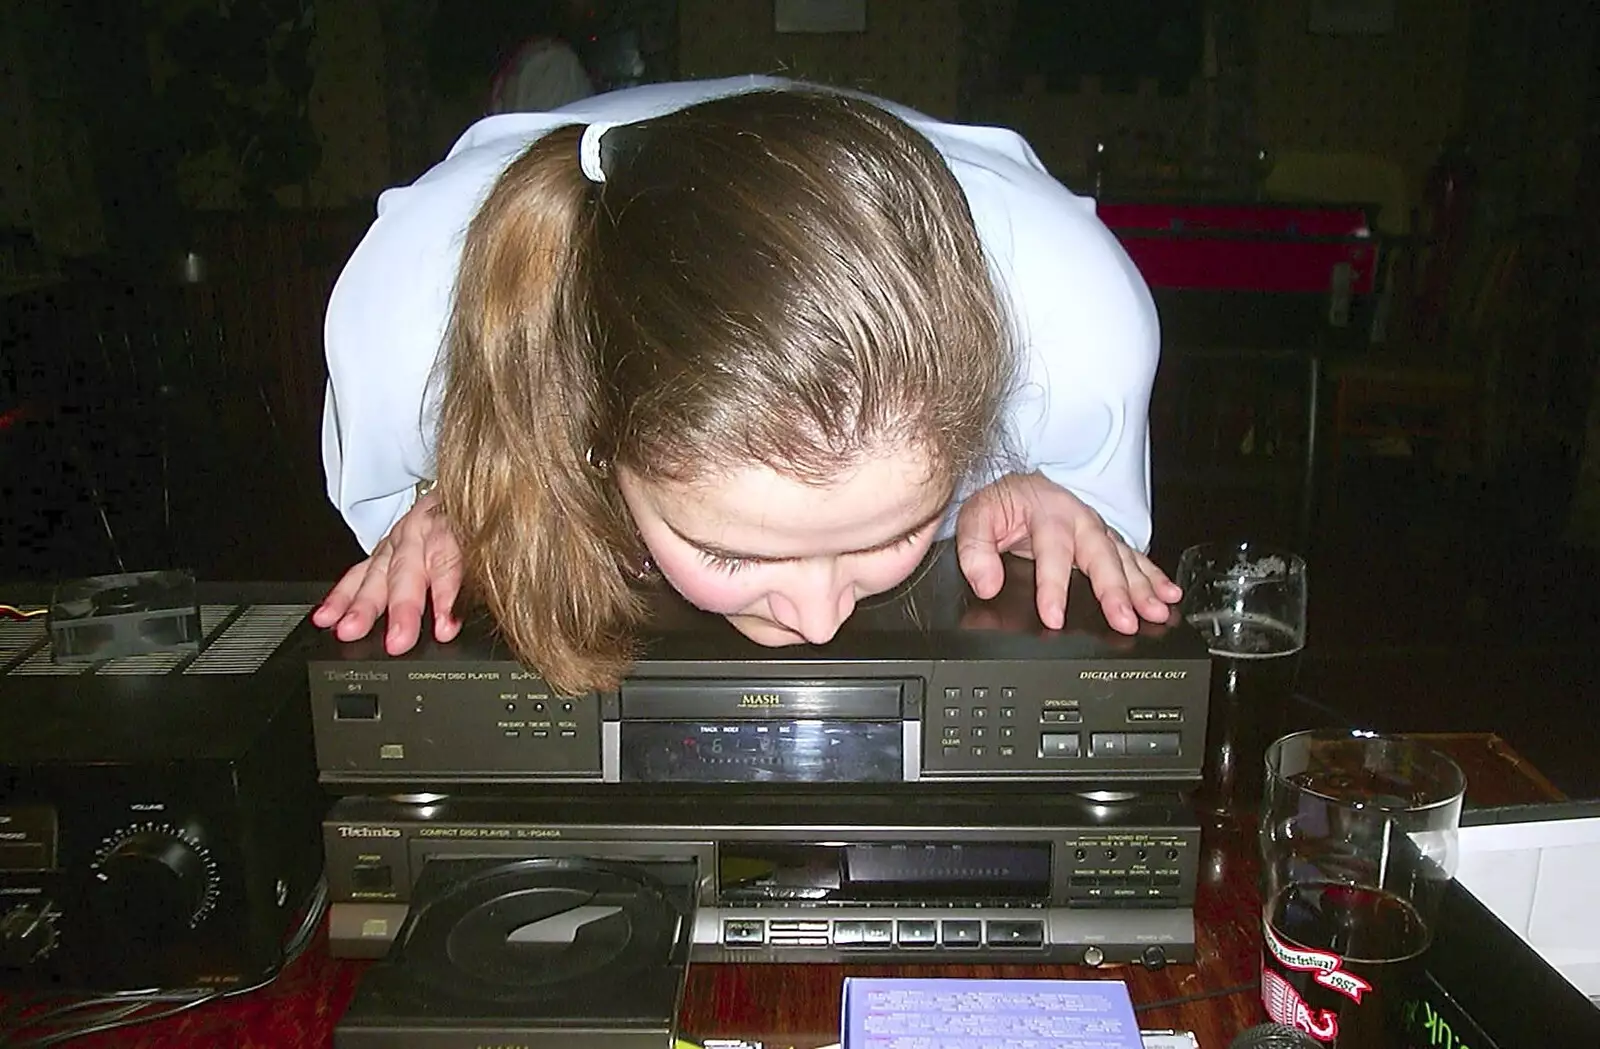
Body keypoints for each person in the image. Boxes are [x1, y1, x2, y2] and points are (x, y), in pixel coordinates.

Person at [313, 76, 1181, 696]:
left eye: (898, 529)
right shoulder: (409, 324)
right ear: (590, 431)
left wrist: (1023, 487)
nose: (818, 620)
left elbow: (1061, 534)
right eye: (734, 554)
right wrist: (473, 490)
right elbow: (462, 488)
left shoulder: (1075, 331)